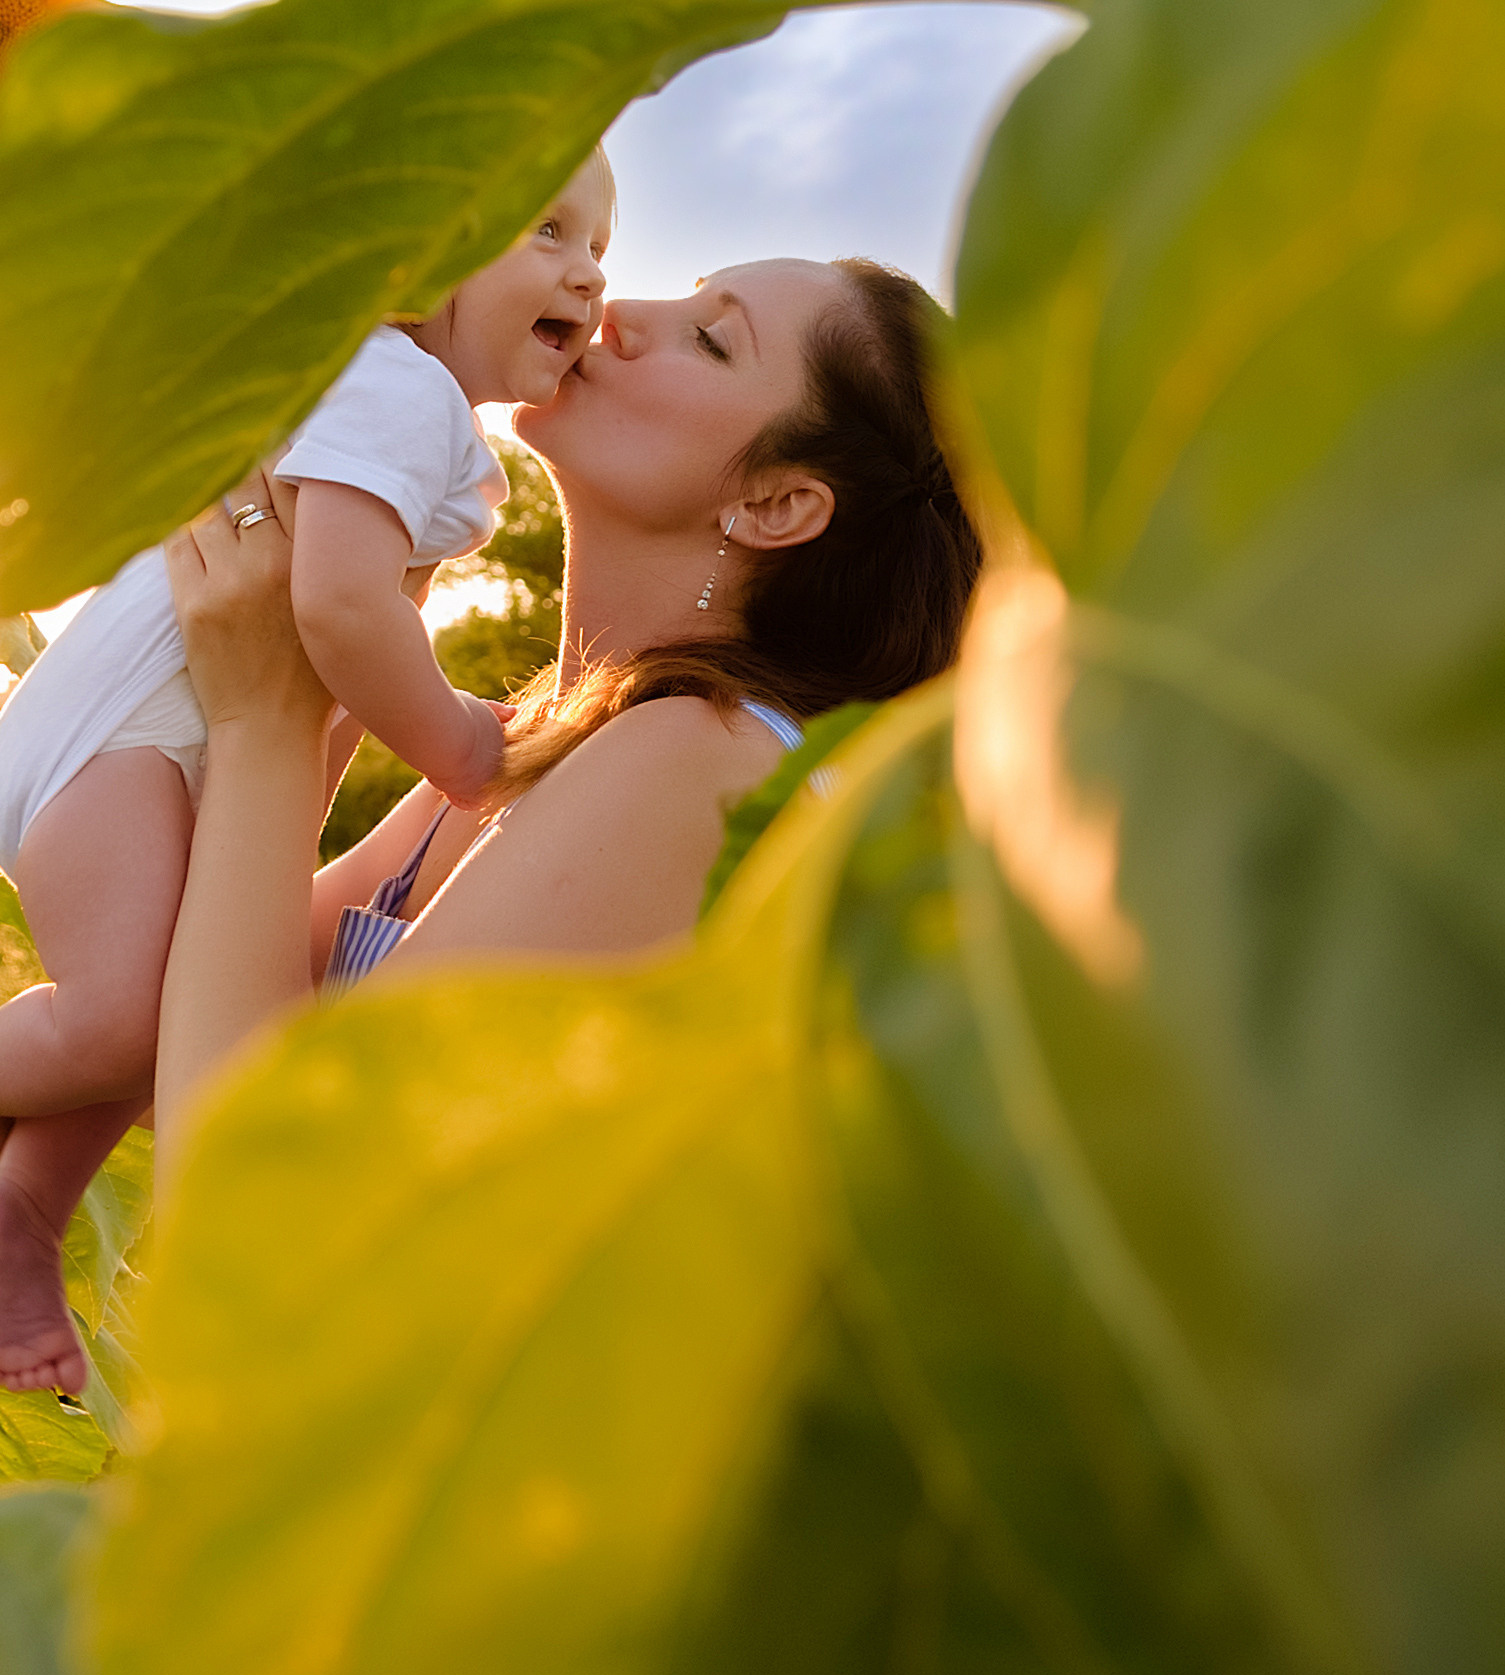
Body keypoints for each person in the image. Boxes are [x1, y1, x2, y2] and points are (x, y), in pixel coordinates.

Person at [0, 150, 615, 1392]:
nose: (590, 272)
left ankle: (24, 1208)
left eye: (601, 245)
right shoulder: (392, 382)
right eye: (549, 230)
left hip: (183, 744)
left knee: (182, 992)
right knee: (129, 1017)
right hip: (117, 745)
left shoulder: (419, 414)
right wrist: (461, 742)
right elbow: (341, 607)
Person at [151, 253, 980, 1187]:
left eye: (709, 339)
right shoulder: (523, 740)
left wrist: (265, 718)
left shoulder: (699, 758)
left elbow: (247, 1200)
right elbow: (171, 1031)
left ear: (774, 503)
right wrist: (334, 643)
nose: (620, 309)